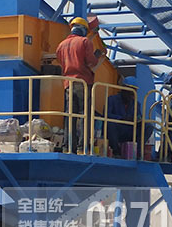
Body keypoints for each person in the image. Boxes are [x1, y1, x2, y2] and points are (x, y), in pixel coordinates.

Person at [56, 17, 103, 153]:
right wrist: (97, 55)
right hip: (83, 82)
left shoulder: (61, 45)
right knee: (84, 114)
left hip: (68, 83)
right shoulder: (84, 42)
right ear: (83, 30)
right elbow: (91, 62)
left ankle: (68, 146)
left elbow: (60, 61)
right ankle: (83, 147)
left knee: (70, 115)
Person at [105, 77, 140, 157]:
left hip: (130, 130)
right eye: (130, 91)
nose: (132, 94)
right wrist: (121, 118)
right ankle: (116, 151)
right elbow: (107, 114)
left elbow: (139, 116)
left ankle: (138, 151)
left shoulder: (136, 104)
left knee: (148, 126)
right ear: (123, 89)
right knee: (110, 124)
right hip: (117, 129)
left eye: (134, 91)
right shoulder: (112, 100)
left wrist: (137, 119)